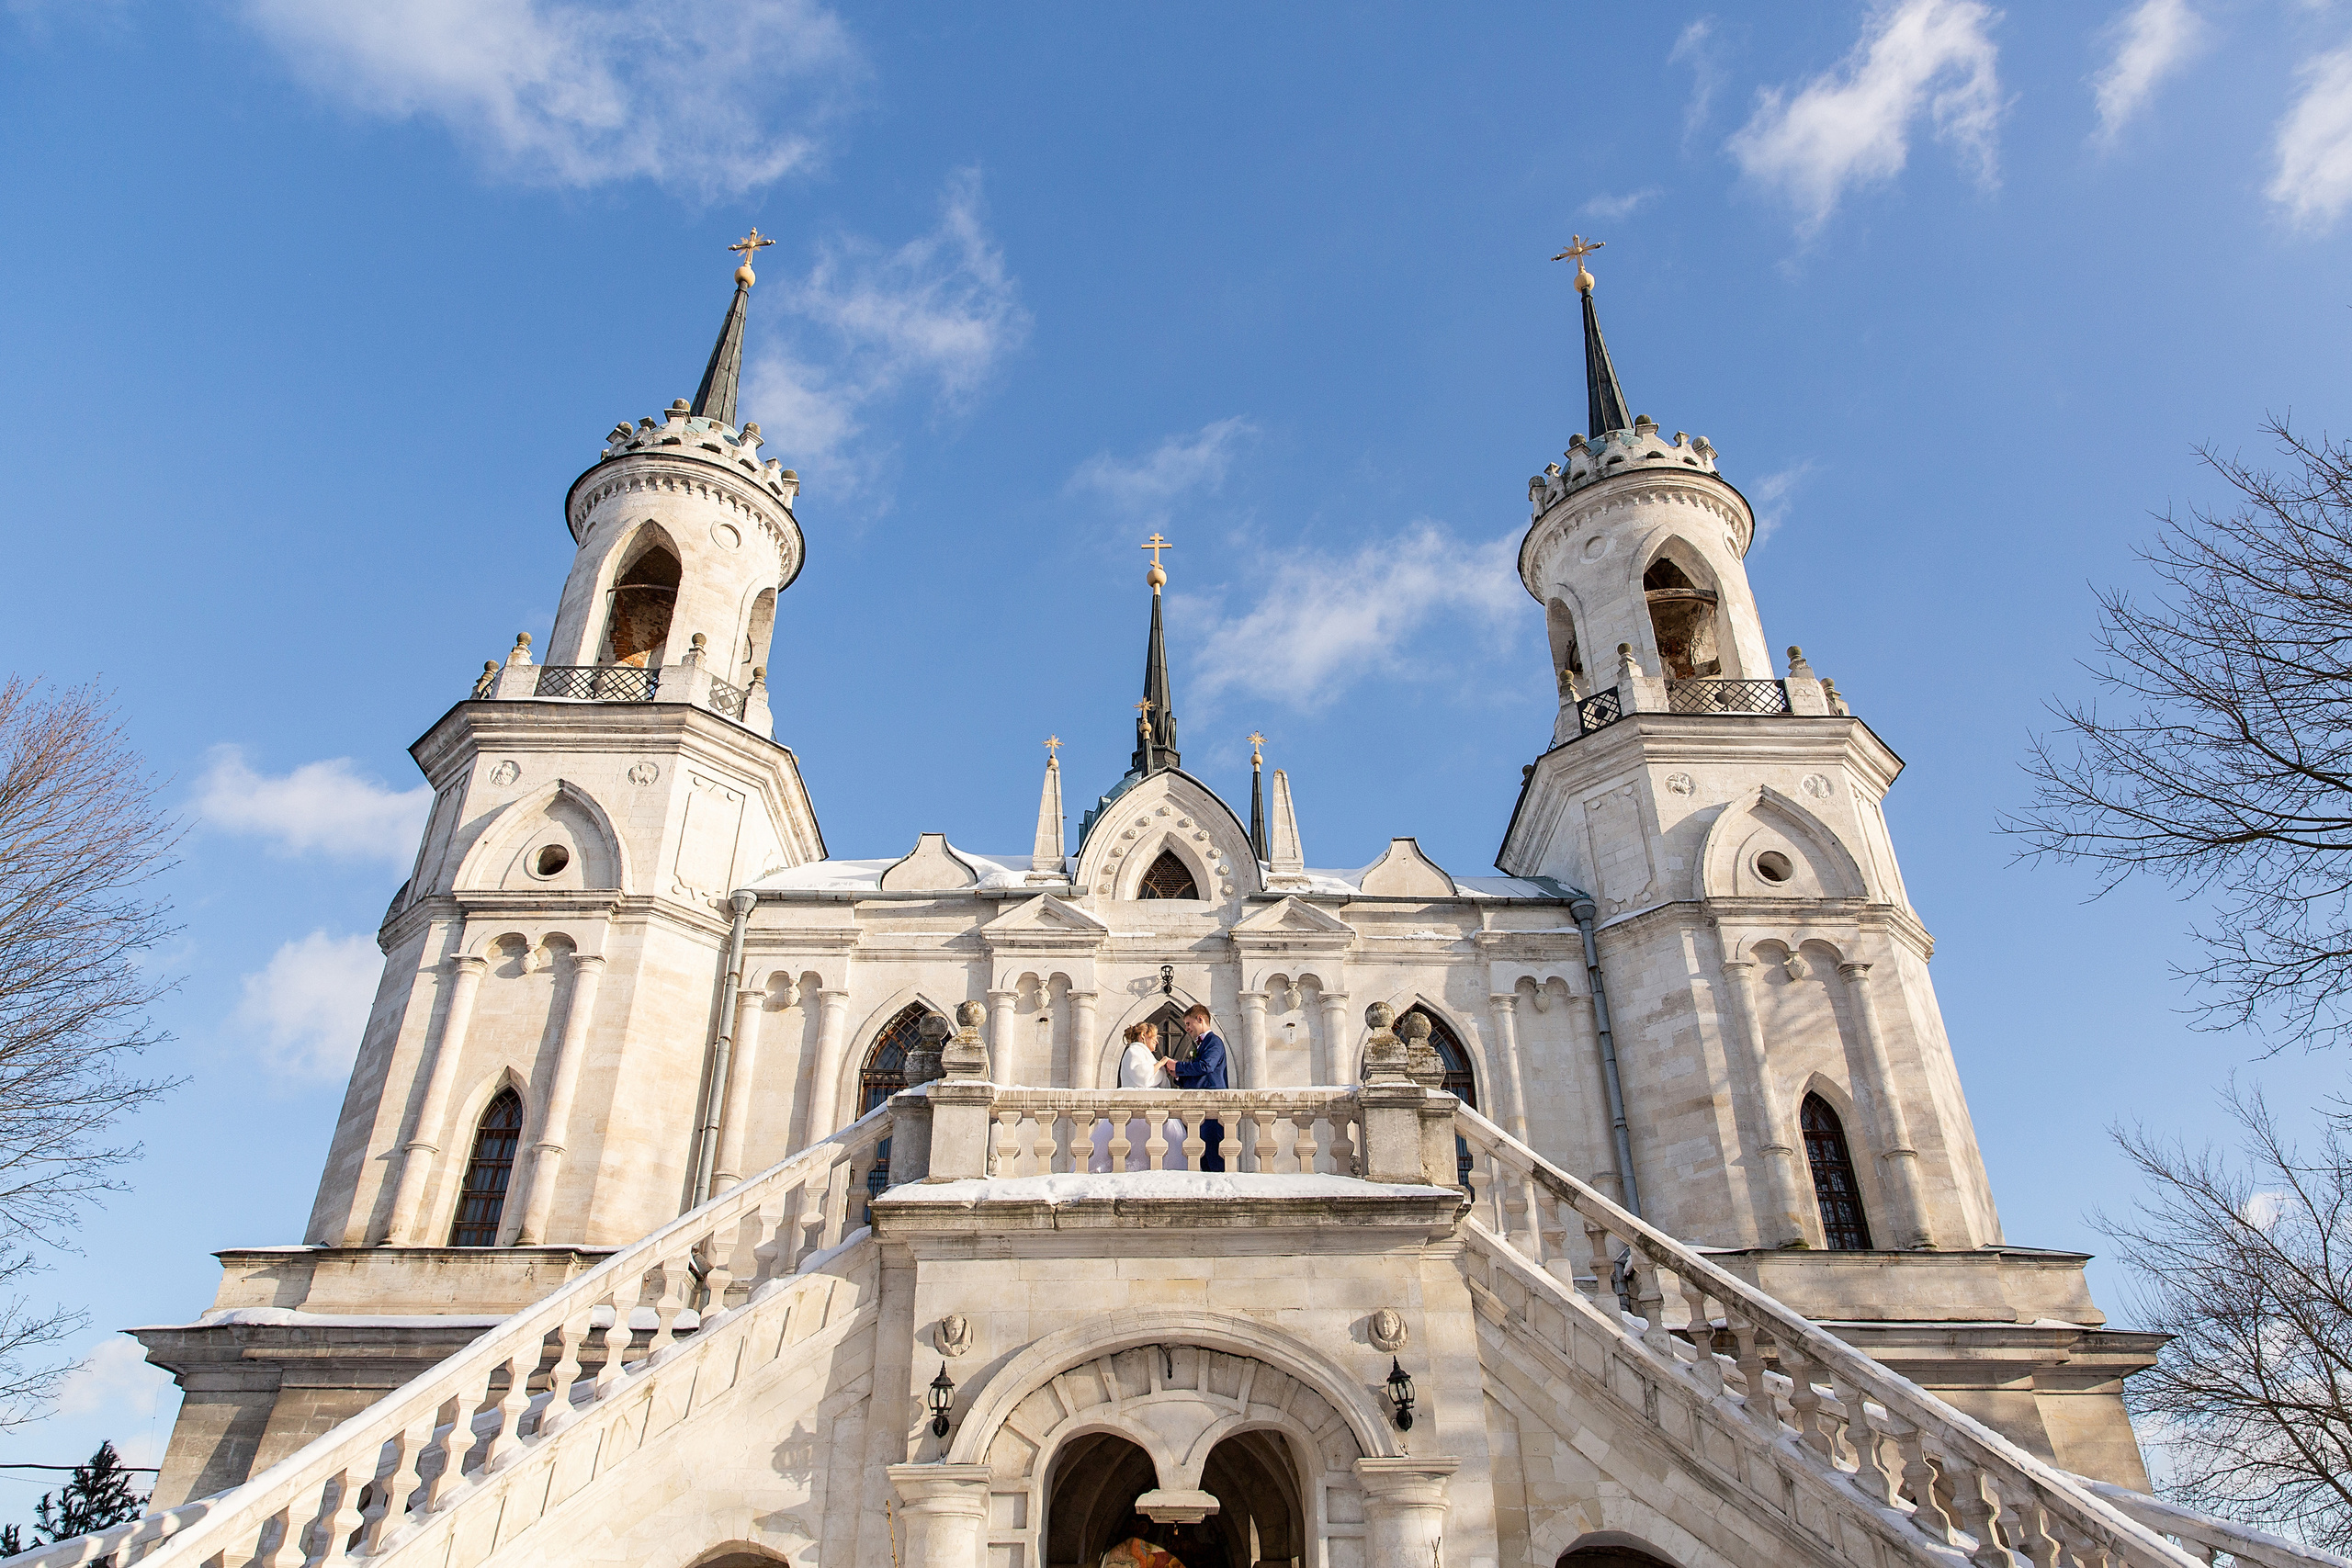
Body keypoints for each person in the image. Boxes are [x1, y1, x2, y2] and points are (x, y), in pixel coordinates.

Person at [1091, 1022, 1171, 1172]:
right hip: (1137, 1116)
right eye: (1154, 1037)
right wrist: (1161, 1063)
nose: (1157, 1041)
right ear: (1143, 1036)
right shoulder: (1134, 1051)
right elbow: (1143, 1077)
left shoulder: (1146, 1055)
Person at [1165, 1003, 1230, 1170]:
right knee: (1204, 1159)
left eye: (1188, 1024)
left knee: (1214, 1157)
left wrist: (1178, 1066)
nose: (1186, 1028)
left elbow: (1206, 1066)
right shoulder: (1203, 1044)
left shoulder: (1214, 1042)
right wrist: (1179, 1076)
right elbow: (1202, 1077)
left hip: (1212, 1110)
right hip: (1201, 1110)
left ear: (1200, 1019)